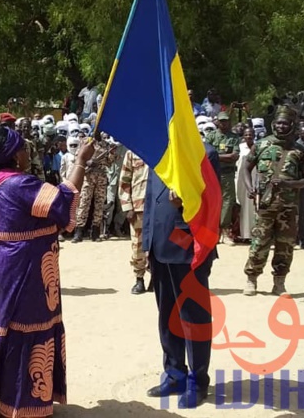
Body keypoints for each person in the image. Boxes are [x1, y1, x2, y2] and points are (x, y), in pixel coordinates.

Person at [0, 125, 94, 418]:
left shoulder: (0, 181)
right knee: (29, 329)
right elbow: (62, 205)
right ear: (15, 156)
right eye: (24, 148)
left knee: (10, 331)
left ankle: (13, 401)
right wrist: (81, 162)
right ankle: (23, 406)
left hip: (7, 266)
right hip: (26, 273)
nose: (29, 152)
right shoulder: (19, 185)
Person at [141, 143, 220, 408]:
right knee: (167, 316)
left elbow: (212, 204)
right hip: (160, 247)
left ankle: (198, 381)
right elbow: (151, 200)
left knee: (192, 318)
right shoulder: (157, 153)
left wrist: (186, 201)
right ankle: (175, 374)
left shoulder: (203, 154)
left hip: (188, 248)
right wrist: (147, 242)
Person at [242, 106, 304, 296]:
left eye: (285, 123)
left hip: (288, 207)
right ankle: (251, 279)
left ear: (291, 125)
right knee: (259, 243)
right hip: (265, 204)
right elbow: (246, 167)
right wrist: (250, 188)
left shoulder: (299, 149)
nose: (281, 126)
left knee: (285, 246)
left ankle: (279, 283)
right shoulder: (262, 144)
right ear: (274, 124)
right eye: (279, 123)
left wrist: (290, 184)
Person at [72, 131, 116, 242]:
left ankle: (96, 232)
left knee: (99, 204)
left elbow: (109, 163)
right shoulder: (86, 142)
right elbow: (77, 158)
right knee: (84, 203)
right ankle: (79, 232)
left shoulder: (106, 145)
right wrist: (88, 162)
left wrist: (112, 154)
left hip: (101, 176)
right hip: (88, 176)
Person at [204, 112, 241, 240]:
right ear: (217, 122)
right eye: (222, 121)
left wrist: (216, 157)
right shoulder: (211, 136)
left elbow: (235, 156)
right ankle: (212, 229)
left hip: (228, 173)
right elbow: (206, 156)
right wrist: (226, 157)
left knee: (228, 201)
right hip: (212, 173)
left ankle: (224, 229)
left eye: (226, 121)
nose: (224, 123)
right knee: (211, 200)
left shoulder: (234, 138)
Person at [118, 149, 149, 294]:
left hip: (159, 206)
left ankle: (156, 277)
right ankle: (139, 279)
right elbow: (124, 180)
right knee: (138, 244)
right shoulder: (132, 151)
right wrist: (127, 206)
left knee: (159, 243)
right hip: (138, 206)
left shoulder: (164, 147)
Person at [235, 128, 258, 241]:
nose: (249, 136)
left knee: (253, 207)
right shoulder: (239, 147)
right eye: (246, 134)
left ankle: (254, 234)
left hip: (254, 178)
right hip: (241, 179)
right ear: (243, 136)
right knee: (242, 205)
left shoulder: (258, 147)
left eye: (251, 134)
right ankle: (244, 234)